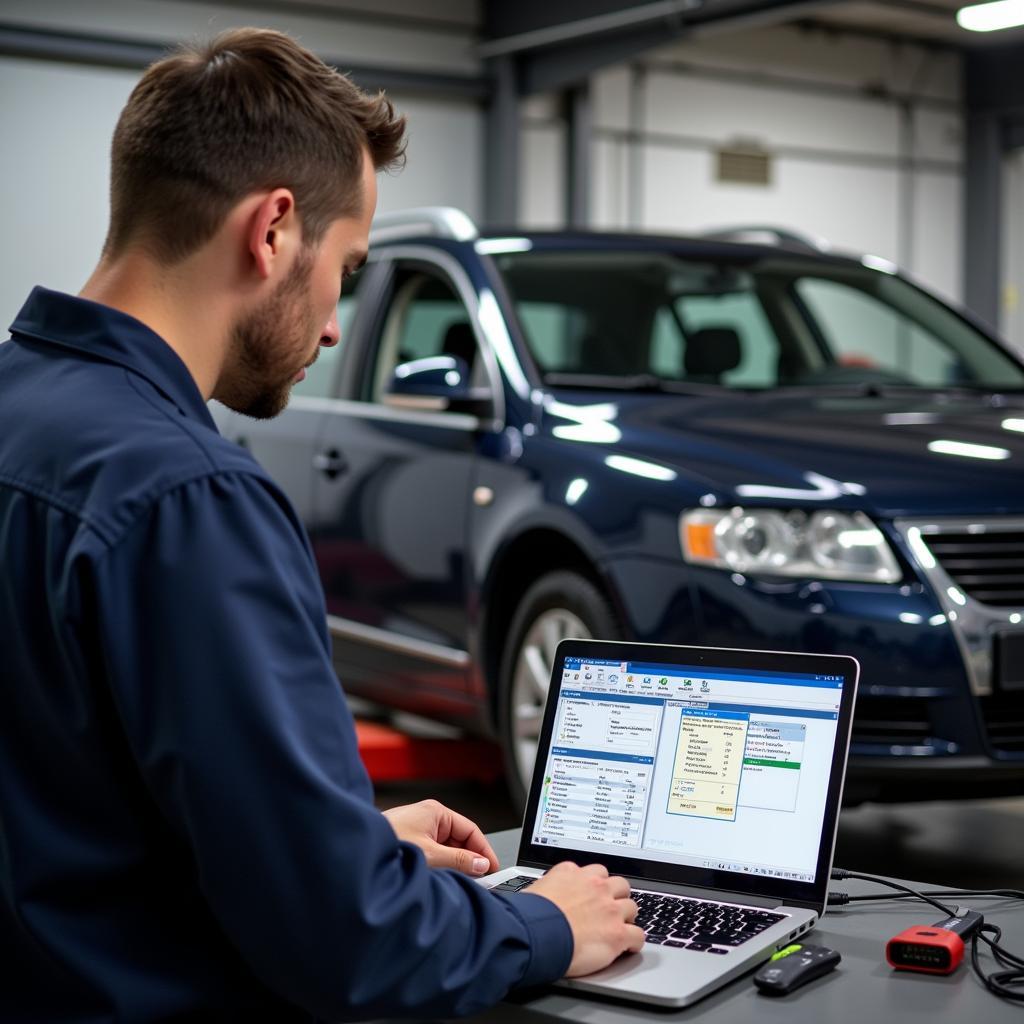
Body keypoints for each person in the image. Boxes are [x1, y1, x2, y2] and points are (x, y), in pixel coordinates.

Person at [0, 27, 643, 1022]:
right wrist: (549, 922)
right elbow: (354, 947)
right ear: (274, 230)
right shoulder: (188, 497)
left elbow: (68, 804)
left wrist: (348, 839)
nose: (337, 324)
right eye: (347, 266)